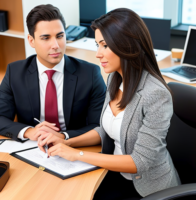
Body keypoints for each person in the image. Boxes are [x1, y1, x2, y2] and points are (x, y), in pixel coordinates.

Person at [38, 8, 180, 199]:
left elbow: (140, 162)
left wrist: (76, 154)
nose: (98, 54)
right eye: (97, 45)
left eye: (104, 45)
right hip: (113, 173)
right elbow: (107, 129)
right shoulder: (115, 78)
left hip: (147, 187)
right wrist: (66, 141)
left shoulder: (156, 95)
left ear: (127, 45)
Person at [0, 4, 106, 142]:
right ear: (31, 41)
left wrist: (63, 137)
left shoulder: (90, 73)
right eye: (46, 38)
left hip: (74, 147)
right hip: (32, 147)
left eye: (60, 36)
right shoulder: (15, 72)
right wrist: (29, 131)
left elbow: (99, 125)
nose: (55, 45)